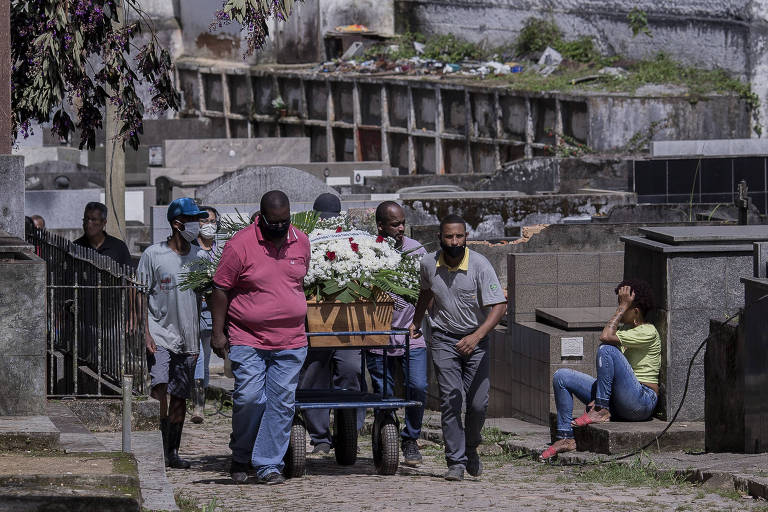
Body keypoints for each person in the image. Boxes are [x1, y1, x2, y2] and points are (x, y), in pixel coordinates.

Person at [210, 190, 310, 485]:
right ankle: (241, 454)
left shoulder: (301, 241)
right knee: (250, 397)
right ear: (261, 217)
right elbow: (219, 288)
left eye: (285, 221)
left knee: (281, 403)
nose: (280, 227)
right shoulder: (240, 245)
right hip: (247, 336)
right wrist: (218, 333)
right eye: (274, 222)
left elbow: (297, 282)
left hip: (291, 339)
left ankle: (268, 465)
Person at [409, 214, 506, 481]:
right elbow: (426, 291)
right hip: (443, 338)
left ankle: (472, 447)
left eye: (459, 236)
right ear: (440, 238)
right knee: (451, 397)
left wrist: (477, 336)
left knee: (477, 404)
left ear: (466, 237)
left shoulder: (480, 265)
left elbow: (499, 305)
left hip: (476, 340)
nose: (454, 241)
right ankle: (455, 461)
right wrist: (416, 321)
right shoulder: (429, 263)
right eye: (449, 236)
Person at [540, 279, 660, 460]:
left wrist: (621, 308)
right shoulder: (627, 329)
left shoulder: (648, 331)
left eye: (623, 307)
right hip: (619, 401)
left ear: (635, 311)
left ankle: (602, 409)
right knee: (561, 376)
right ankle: (565, 437)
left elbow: (605, 337)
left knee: (606, 349)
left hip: (641, 401)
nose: (619, 310)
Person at [138, 197, 208, 469]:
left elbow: (206, 295)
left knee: (180, 395)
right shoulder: (153, 255)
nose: (197, 225)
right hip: (160, 333)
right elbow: (140, 295)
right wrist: (145, 332)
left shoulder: (200, 257)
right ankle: (157, 444)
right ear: (178, 224)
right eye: (192, 220)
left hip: (188, 337)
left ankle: (172, 451)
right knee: (160, 388)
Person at [297, 192, 363, 455]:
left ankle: (350, 433)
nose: (327, 223)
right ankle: (320, 437)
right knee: (313, 379)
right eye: (323, 219)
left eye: (331, 218)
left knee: (351, 372)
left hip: (347, 324)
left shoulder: (355, 242)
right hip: (314, 324)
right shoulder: (305, 241)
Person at [367, 201, 427, 466]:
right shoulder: (367, 251)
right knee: (385, 392)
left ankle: (410, 437)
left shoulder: (417, 251)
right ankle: (386, 429)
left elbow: (429, 289)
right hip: (377, 334)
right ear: (381, 226)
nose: (401, 228)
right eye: (395, 224)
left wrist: (421, 318)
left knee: (418, 385)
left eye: (403, 223)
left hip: (411, 333)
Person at [191, 206, 220, 424]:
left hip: (213, 312)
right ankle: (197, 404)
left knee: (206, 356)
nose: (208, 224)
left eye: (211, 220)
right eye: (203, 220)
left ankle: (200, 400)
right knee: (198, 356)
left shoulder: (222, 250)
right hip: (193, 311)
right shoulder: (191, 250)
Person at [73, 202, 131, 267]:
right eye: (86, 219)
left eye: (93, 220)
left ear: (104, 222)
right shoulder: (74, 248)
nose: (88, 224)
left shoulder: (119, 247)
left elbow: (129, 275)